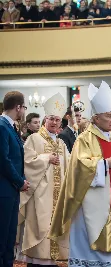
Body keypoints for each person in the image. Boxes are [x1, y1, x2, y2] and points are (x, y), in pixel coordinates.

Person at [49, 81, 111, 266]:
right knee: (89, 239)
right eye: (108, 116)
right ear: (96, 119)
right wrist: (105, 164)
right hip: (91, 200)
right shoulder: (84, 139)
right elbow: (80, 166)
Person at [17, 93, 70, 266]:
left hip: (58, 194)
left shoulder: (61, 143)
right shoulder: (34, 139)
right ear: (44, 120)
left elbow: (69, 166)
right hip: (40, 194)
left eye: (57, 120)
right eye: (51, 119)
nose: (54, 123)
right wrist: (46, 158)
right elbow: (26, 161)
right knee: (40, 227)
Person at [0, 91, 29, 267]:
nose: (24, 111)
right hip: (4, 190)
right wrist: (20, 181)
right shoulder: (2, 126)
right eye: (24, 107)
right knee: (3, 237)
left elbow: (16, 158)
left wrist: (21, 180)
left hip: (11, 189)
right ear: (18, 107)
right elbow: (4, 159)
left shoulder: (10, 126)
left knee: (10, 236)